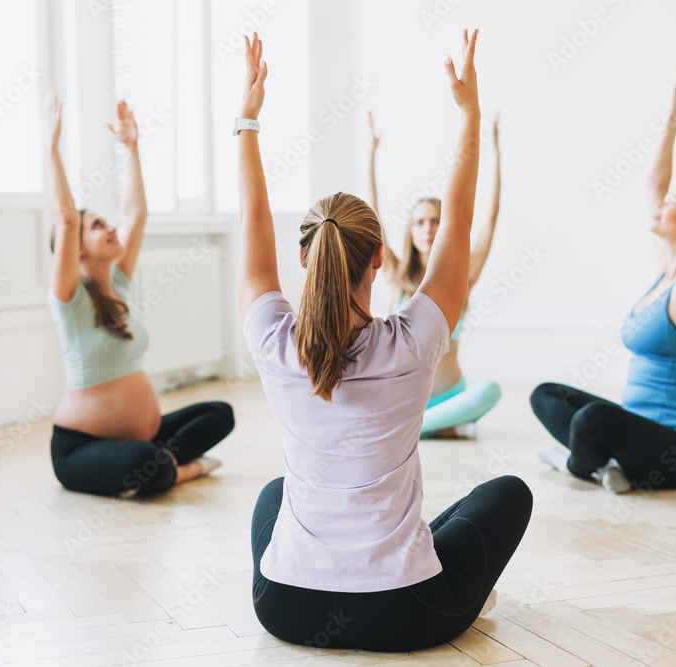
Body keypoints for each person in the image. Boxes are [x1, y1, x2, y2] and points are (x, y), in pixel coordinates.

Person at [238, 31, 532, 651]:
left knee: (272, 496)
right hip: (406, 613)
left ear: (304, 255)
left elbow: (252, 225)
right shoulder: (416, 340)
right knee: (507, 494)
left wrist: (248, 121)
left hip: (286, 607)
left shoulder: (272, 341)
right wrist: (470, 115)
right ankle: (457, 588)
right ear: (379, 262)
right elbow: (459, 219)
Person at [43, 90, 234, 497]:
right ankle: (179, 470)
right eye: (96, 226)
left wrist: (132, 148)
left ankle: (161, 464)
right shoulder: (69, 299)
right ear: (75, 247)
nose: (110, 227)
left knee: (220, 414)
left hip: (144, 438)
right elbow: (65, 219)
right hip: (80, 449)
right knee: (143, 465)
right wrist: (51, 151)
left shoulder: (119, 283)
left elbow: (136, 214)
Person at [530, 61, 676, 494]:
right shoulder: (665, 272)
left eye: (674, 202)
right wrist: (675, 116)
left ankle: (581, 465)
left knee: (592, 420)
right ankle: (605, 465)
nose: (661, 203)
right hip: (637, 431)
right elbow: (653, 184)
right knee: (546, 395)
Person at [367, 107, 502, 438]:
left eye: (436, 221)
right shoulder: (397, 274)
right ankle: (424, 426)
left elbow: (491, 216)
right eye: (420, 222)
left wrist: (495, 151)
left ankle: (413, 429)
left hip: (452, 395)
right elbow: (374, 217)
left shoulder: (463, 275)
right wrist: (370, 154)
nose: (428, 228)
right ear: (411, 230)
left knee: (490, 391)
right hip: (406, 399)